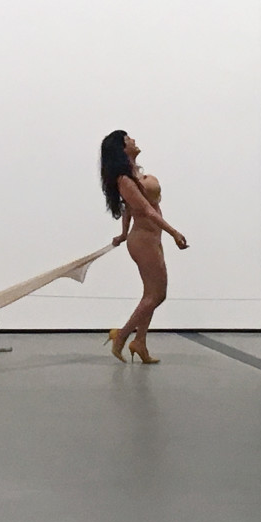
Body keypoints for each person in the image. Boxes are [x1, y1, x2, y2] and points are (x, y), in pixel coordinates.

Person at [100, 130, 188, 364]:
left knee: (152, 294)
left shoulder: (134, 175)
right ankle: (121, 336)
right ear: (122, 148)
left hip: (150, 238)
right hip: (143, 240)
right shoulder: (124, 180)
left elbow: (129, 209)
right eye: (128, 139)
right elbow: (147, 210)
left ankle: (140, 342)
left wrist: (122, 234)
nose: (133, 140)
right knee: (157, 295)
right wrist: (174, 232)